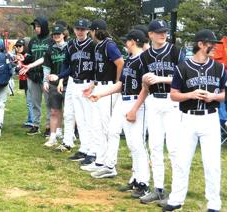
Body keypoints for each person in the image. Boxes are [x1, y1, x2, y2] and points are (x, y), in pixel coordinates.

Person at [161, 29, 225, 212]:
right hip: (187, 119)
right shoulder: (182, 67)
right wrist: (190, 94)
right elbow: (173, 96)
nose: (215, 48)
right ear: (201, 44)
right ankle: (176, 200)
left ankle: (214, 204)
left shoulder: (219, 68)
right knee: (182, 161)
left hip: (210, 118)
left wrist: (213, 97)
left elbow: (223, 94)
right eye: (211, 44)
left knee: (212, 164)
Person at [128, 19, 186, 204]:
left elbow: (184, 78)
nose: (163, 34)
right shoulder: (145, 56)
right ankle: (158, 189)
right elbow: (145, 86)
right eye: (159, 32)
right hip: (153, 101)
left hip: (172, 102)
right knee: (154, 146)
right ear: (150, 35)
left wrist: (159, 77)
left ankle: (177, 192)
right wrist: (145, 81)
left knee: (174, 148)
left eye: (165, 31)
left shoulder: (176, 51)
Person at [88, 30, 150, 197]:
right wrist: (100, 94)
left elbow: (146, 88)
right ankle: (136, 179)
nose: (125, 43)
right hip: (125, 99)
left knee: (138, 145)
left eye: (127, 41)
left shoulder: (143, 60)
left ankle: (143, 183)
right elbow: (120, 84)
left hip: (137, 102)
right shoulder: (130, 59)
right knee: (132, 145)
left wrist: (134, 109)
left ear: (133, 42)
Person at [49, 19, 97, 162]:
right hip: (74, 83)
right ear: (74, 30)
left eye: (83, 29)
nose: (80, 31)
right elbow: (68, 65)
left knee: (88, 119)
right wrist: (60, 77)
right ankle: (80, 147)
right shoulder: (71, 44)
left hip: (88, 84)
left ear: (88, 30)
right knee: (76, 117)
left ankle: (91, 150)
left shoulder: (93, 45)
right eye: (78, 28)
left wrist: (95, 83)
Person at [81, 19, 124, 168]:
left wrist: (118, 84)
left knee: (107, 127)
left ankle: (108, 162)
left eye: (91, 31)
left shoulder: (109, 45)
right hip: (100, 87)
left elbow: (120, 63)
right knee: (97, 125)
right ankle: (99, 160)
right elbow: (101, 69)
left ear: (94, 31)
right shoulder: (99, 45)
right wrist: (93, 85)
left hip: (109, 88)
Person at [20, 17, 52, 136]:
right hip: (33, 75)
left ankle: (49, 127)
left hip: (46, 76)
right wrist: (23, 58)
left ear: (44, 27)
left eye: (38, 26)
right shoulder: (33, 40)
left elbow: (49, 58)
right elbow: (29, 56)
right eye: (35, 27)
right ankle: (35, 125)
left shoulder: (50, 40)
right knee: (34, 102)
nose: (36, 29)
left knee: (49, 102)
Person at [41, 24, 67, 147]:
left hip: (69, 83)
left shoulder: (69, 47)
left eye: (59, 34)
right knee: (54, 110)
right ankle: (52, 137)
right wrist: (45, 81)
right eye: (54, 34)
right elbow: (46, 67)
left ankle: (67, 136)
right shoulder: (50, 50)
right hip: (53, 83)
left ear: (64, 35)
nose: (57, 36)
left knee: (69, 113)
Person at [13, 38, 34, 128]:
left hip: (29, 79)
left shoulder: (27, 55)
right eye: (16, 46)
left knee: (30, 101)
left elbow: (26, 66)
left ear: (24, 46)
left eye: (20, 46)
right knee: (28, 100)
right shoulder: (19, 55)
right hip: (23, 79)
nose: (18, 48)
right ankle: (31, 119)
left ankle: (32, 121)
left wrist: (20, 61)